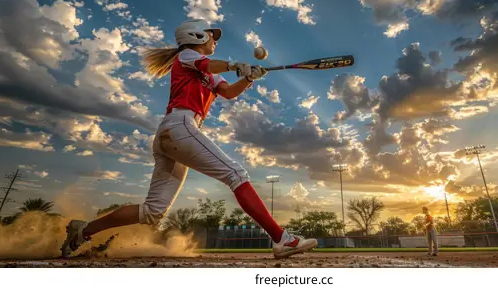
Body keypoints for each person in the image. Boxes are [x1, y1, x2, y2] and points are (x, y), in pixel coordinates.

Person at [60, 19, 318, 259]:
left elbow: (227, 92)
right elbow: (208, 64)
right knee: (236, 175)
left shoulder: (208, 72)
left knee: (152, 212)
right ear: (195, 36)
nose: (214, 39)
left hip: (172, 133)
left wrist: (248, 78)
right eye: (211, 35)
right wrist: (233, 65)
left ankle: (84, 231)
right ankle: (281, 238)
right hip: (179, 126)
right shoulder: (187, 55)